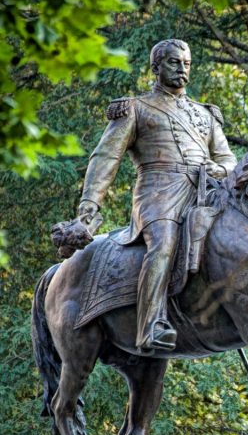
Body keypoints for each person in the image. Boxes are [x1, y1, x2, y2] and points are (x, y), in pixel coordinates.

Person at [78, 39, 237, 351]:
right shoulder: (135, 109)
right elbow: (106, 159)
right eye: (174, 62)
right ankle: (151, 324)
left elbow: (228, 159)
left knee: (243, 237)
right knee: (163, 243)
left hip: (204, 191)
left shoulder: (205, 114)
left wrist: (222, 171)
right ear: (156, 67)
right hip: (158, 193)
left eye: (186, 63)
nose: (182, 69)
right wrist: (89, 207)